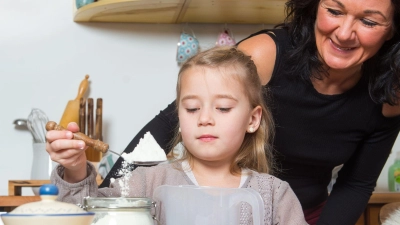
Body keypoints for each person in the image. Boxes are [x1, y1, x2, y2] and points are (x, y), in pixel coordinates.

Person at [47, 0, 400, 224]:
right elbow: (160, 131)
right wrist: (107, 200)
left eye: (369, 22)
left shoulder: (276, 195)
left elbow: (356, 184)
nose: (344, 32)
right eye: (334, 11)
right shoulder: (265, 55)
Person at [47, 47, 308, 225]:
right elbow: (85, 216)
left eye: (223, 108)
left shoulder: (275, 195)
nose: (204, 118)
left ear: (252, 120)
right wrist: (75, 170)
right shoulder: (147, 183)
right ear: (179, 118)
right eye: (192, 108)